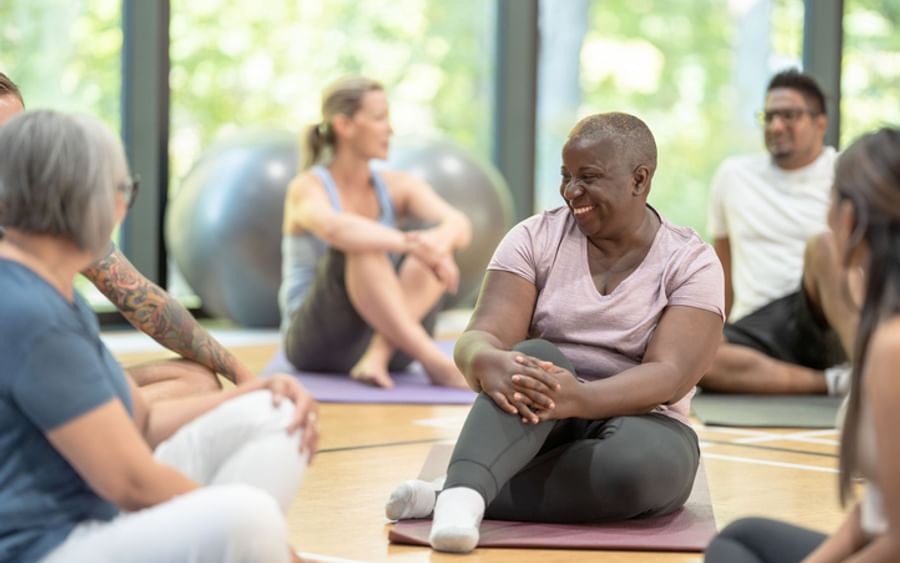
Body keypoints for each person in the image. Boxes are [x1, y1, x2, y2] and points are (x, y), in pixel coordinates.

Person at [384, 112, 725, 553]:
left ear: (639, 180)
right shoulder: (533, 237)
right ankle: (463, 499)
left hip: (646, 418)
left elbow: (670, 375)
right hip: (538, 409)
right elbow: (480, 336)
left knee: (638, 472)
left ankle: (449, 492)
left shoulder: (692, 261)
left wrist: (580, 399)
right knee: (535, 354)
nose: (571, 191)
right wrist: (485, 360)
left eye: (588, 177)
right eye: (565, 176)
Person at [0, 110, 319, 563]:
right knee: (249, 517)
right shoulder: (31, 312)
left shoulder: (58, 291)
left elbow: (141, 423)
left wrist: (255, 389)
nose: (122, 208)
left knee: (275, 413)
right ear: (84, 200)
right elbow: (131, 483)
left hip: (97, 512)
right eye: (121, 190)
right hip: (52, 546)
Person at [0, 70, 257, 402]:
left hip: (45, 385)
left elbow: (144, 301)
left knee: (198, 380)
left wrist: (242, 375)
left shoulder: (47, 213)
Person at [705, 127, 900, 562]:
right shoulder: (883, 331)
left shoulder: (892, 347)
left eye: (830, 199)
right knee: (739, 539)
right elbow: (880, 510)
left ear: (851, 218)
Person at [279, 76, 472, 389]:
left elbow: (459, 224)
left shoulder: (398, 185)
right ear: (344, 125)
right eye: (380, 118)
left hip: (391, 342)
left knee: (437, 244)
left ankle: (378, 354)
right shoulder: (306, 187)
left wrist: (435, 245)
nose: (390, 129)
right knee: (362, 244)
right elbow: (336, 228)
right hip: (316, 344)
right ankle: (436, 363)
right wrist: (413, 245)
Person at [701, 69, 855, 395]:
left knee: (823, 245)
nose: (776, 126)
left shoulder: (846, 172)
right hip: (757, 324)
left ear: (820, 123)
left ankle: (864, 367)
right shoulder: (733, 175)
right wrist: (713, 330)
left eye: (789, 116)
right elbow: (722, 270)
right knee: (697, 357)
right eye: (769, 116)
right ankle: (834, 382)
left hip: (822, 313)